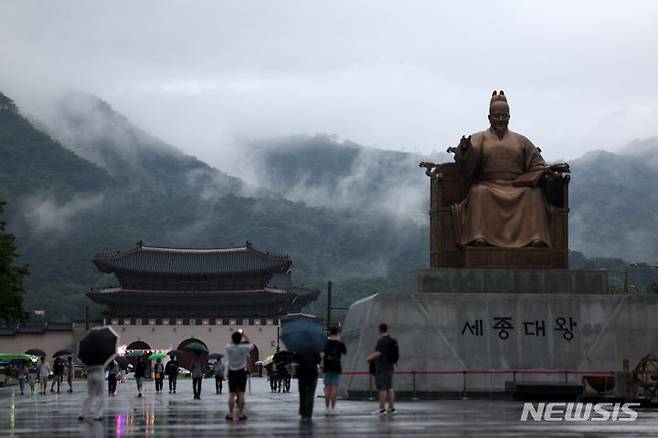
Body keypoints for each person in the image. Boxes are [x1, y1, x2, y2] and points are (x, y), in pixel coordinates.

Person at [451, 90, 552, 248]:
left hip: (516, 186)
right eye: (497, 116)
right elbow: (466, 161)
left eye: (504, 116)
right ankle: (479, 238)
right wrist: (464, 149)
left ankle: (536, 238)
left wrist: (541, 171)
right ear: (489, 118)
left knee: (534, 194)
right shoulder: (479, 138)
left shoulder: (521, 141)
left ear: (509, 117)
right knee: (478, 192)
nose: (500, 119)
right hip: (489, 185)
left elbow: (537, 163)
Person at [367, 323, 397, 415]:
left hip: (382, 366)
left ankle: (382, 409)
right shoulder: (392, 340)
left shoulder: (382, 341)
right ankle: (392, 408)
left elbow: (378, 353)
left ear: (380, 330)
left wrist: (369, 358)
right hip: (390, 366)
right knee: (389, 387)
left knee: (382, 388)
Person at [225, 331, 254, 421]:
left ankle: (230, 413)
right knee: (241, 393)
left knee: (231, 394)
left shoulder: (229, 348)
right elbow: (251, 343)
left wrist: (235, 338)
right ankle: (241, 413)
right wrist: (243, 334)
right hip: (241, 372)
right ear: (240, 339)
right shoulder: (244, 348)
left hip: (232, 372)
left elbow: (230, 343)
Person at [323, 326, 347, 416]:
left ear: (329, 332)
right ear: (337, 333)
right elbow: (344, 352)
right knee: (334, 388)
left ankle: (326, 409)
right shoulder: (340, 344)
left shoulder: (326, 343)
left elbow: (322, 355)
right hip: (336, 367)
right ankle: (333, 409)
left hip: (327, 367)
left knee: (327, 389)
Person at [294, 350, 321, 421]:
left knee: (302, 393)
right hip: (312, 374)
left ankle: (303, 412)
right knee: (310, 394)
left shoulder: (300, 349)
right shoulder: (314, 349)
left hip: (302, 373)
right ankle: (309, 413)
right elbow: (318, 360)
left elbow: (295, 358)